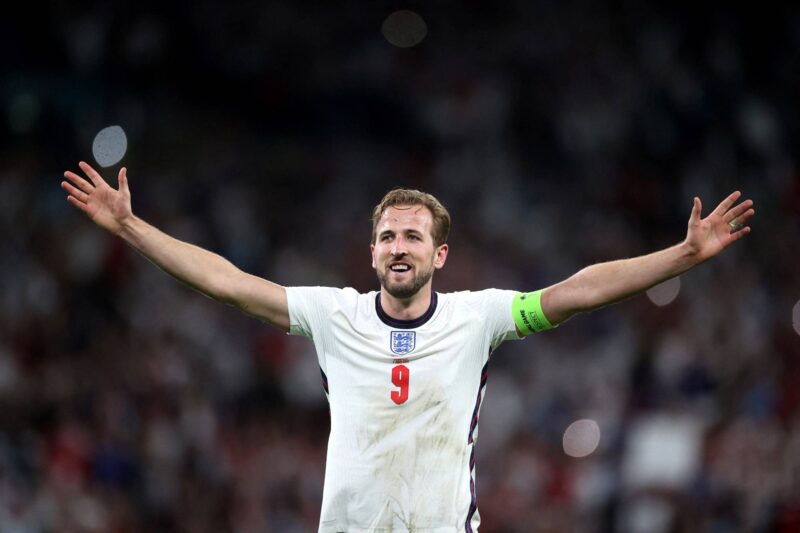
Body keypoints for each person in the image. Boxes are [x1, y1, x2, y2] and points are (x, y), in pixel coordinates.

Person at [61, 161, 755, 532]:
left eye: (414, 236)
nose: (399, 246)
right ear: (371, 252)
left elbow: (577, 291)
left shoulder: (480, 317)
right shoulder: (332, 316)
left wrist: (681, 256)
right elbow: (228, 282)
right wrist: (130, 228)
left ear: (439, 254)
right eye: (388, 236)